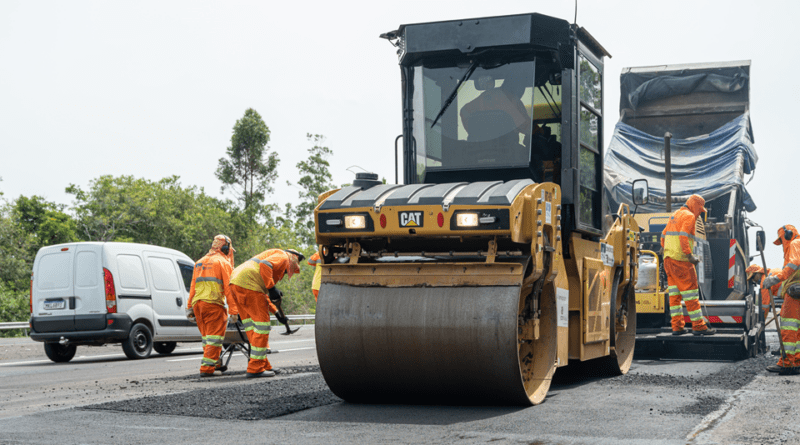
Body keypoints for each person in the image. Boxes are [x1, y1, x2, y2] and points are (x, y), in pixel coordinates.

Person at [229, 248, 304, 378]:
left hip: (236, 282)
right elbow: (265, 265)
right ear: (294, 257)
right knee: (262, 327)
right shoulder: (284, 256)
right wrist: (272, 287)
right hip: (249, 283)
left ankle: (263, 364)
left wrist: (277, 313)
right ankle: (255, 368)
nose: (286, 273)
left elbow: (263, 297)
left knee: (252, 329)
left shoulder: (269, 260)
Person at [661, 194, 715, 336]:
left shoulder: (675, 214)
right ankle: (698, 326)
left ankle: (677, 327)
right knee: (691, 293)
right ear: (695, 206)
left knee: (674, 295)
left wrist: (665, 249)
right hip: (681, 261)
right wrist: (689, 255)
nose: (699, 213)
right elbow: (683, 236)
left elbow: (663, 234)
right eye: (700, 210)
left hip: (668, 260)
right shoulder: (689, 216)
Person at [187, 234, 236, 377]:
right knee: (215, 337)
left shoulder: (199, 262)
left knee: (207, 338)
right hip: (213, 304)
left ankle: (216, 362)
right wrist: (233, 310)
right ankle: (207, 368)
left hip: (198, 305)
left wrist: (189, 307)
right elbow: (229, 288)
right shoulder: (222, 262)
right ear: (225, 247)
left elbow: (192, 286)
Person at [762, 225, 800, 374]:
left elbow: (794, 264)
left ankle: (787, 362)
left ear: (788, 234)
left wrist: (776, 279)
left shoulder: (795, 243)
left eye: (781, 239)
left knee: (788, 326)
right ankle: (796, 360)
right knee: (797, 329)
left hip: (795, 292)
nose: (782, 243)